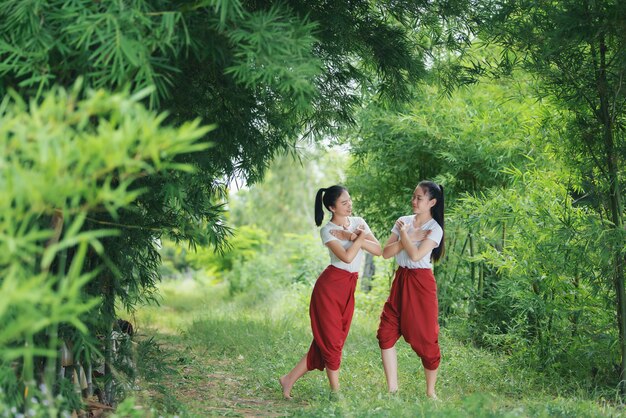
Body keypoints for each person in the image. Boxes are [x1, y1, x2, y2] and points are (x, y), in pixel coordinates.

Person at [279, 185, 382, 399]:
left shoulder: (359, 223)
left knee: (328, 341)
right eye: (344, 203)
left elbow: (379, 250)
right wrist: (359, 238)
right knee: (332, 341)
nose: (349, 205)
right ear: (331, 207)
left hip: (348, 289)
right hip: (329, 289)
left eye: (349, 200)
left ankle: (288, 379)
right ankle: (336, 393)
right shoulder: (327, 230)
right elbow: (346, 257)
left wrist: (353, 235)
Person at [376, 181, 445, 399]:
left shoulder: (435, 228)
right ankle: (392, 390)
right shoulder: (404, 221)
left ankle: (430, 391)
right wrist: (411, 237)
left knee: (426, 338)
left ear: (432, 202)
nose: (414, 201)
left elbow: (416, 256)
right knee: (385, 333)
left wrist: (406, 236)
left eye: (419, 198)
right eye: (413, 196)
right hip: (401, 279)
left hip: (421, 283)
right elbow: (386, 253)